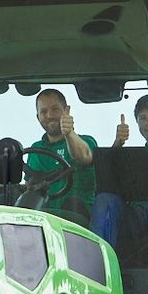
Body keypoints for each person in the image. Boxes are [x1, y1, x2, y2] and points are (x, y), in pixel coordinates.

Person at [92, 94, 148, 281]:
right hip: (133, 216)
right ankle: (97, 275)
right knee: (104, 201)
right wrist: (118, 144)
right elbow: (106, 178)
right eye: (143, 118)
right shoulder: (131, 159)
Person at [25, 88, 98, 222]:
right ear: (38, 117)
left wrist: (69, 133)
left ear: (66, 110)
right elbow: (29, 185)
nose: (49, 115)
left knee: (72, 204)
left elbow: (84, 157)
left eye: (55, 109)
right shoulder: (35, 150)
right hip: (42, 218)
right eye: (43, 112)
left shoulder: (86, 142)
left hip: (79, 219)